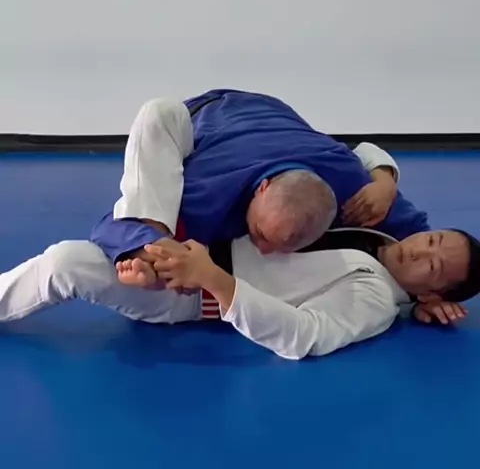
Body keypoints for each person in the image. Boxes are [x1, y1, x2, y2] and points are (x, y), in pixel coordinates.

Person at [0, 226, 478, 359]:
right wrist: (384, 174)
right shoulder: (383, 232)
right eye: (432, 240)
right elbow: (368, 154)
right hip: (195, 241)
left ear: (432, 295)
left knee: (67, 262)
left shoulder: (373, 298)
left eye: (432, 267)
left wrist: (211, 278)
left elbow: (304, 336)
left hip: (190, 291)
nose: (420, 251)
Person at [90, 90, 428, 276]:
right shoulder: (206, 193)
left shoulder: (354, 189)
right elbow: (109, 226)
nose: (264, 250)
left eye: (280, 245)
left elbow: (425, 239)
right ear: (262, 189)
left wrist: (436, 294)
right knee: (159, 114)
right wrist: (155, 249)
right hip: (202, 114)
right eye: (262, 234)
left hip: (276, 112)